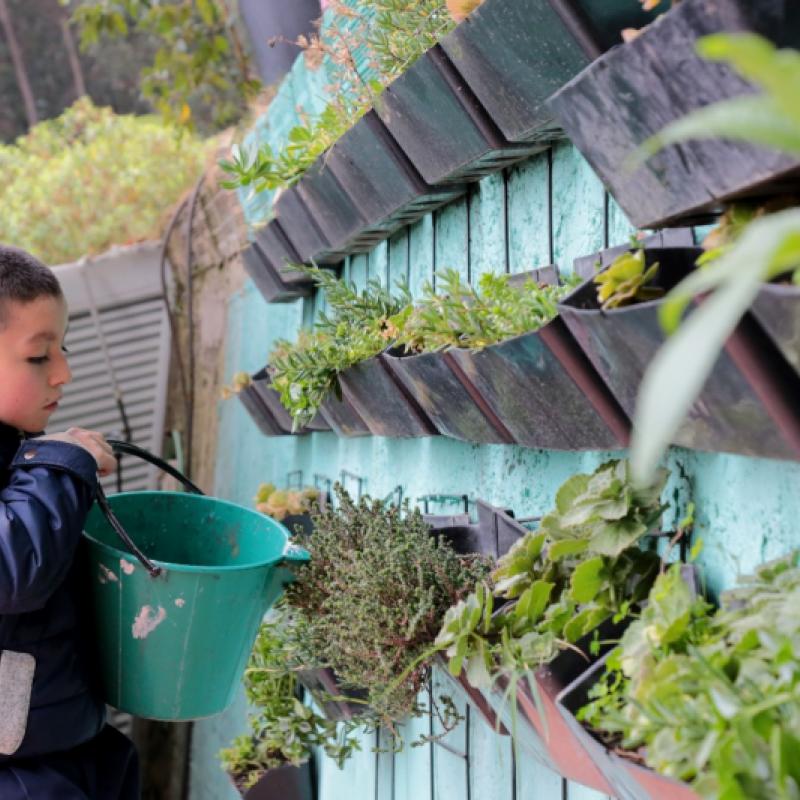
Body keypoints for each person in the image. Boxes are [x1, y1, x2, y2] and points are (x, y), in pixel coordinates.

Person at [0, 246, 140, 798]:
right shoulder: (41, 460)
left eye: (64, 348)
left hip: (68, 743)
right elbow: (12, 569)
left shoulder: (20, 447)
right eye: (39, 357)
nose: (64, 373)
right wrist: (60, 462)